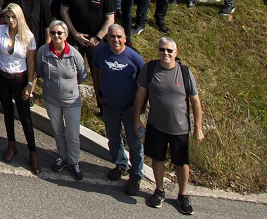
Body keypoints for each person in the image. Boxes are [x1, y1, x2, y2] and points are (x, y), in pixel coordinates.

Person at [133, 37, 204, 215]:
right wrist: (136, 119)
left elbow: (195, 102)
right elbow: (140, 95)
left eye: (169, 51)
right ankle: (159, 190)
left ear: (175, 53)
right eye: (162, 49)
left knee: (182, 162)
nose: (165, 53)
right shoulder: (149, 69)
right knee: (158, 159)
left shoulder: (185, 73)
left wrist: (198, 128)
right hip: (156, 126)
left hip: (180, 128)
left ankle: (183, 195)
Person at [94, 25, 147, 195]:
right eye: (112, 36)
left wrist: (142, 108)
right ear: (107, 38)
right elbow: (96, 70)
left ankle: (136, 175)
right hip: (109, 105)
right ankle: (120, 164)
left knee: (135, 143)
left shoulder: (135, 58)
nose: (115, 40)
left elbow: (145, 84)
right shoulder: (101, 53)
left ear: (125, 38)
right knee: (113, 138)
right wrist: (98, 93)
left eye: (119, 37)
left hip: (130, 108)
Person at [37, 19, 89, 180]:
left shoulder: (74, 54)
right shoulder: (43, 51)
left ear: (66, 35)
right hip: (51, 99)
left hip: (71, 100)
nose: (56, 35)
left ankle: (74, 161)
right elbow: (39, 70)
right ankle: (62, 157)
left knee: (73, 133)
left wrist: (70, 86)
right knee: (57, 130)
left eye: (59, 33)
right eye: (53, 32)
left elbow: (83, 74)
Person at [0, 3, 40, 173]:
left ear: (19, 17)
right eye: (8, 17)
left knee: (25, 117)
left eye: (14, 17)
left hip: (20, 79)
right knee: (7, 112)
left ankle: (33, 152)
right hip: (2, 77)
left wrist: (29, 85)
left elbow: (31, 62)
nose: (11, 20)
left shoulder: (28, 36)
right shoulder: (0, 31)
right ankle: (11, 144)